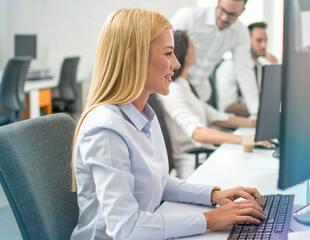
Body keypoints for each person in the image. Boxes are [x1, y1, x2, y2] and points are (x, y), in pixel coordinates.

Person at [70, 8, 266, 240]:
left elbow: (157, 183)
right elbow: (126, 229)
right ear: (133, 58)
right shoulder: (106, 129)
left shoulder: (144, 114)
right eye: (168, 53)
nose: (176, 64)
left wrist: (215, 195)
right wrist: (209, 219)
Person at [158, 30, 272, 180]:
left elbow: (216, 117)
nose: (196, 50)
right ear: (184, 52)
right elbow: (197, 132)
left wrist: (257, 123)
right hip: (194, 164)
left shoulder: (185, 85)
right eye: (192, 46)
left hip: (207, 156)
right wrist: (246, 139)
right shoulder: (173, 90)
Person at [171, 0, 259, 116]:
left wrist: (256, 112)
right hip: (174, 85)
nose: (224, 18)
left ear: (242, 11)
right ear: (218, 2)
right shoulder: (189, 16)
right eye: (222, 10)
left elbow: (245, 72)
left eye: (232, 15)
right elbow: (164, 45)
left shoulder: (240, 32)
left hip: (200, 93)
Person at [215, 21, 278, 116]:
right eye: (259, 40)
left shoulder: (261, 66)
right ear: (247, 41)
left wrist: (275, 71)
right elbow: (228, 106)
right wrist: (263, 109)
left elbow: (270, 98)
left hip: (256, 120)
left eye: (266, 40)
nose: (264, 45)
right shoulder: (228, 67)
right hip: (234, 127)